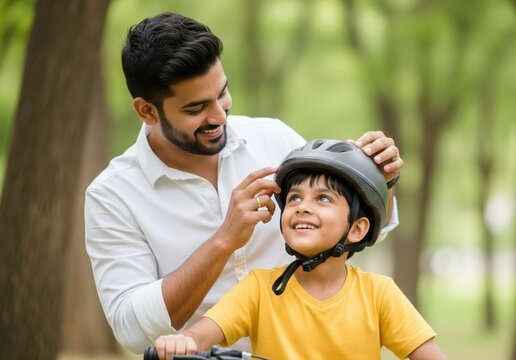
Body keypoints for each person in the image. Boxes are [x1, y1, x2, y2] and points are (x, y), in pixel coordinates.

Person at [84, 12, 403, 353]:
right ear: (147, 111)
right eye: (197, 108)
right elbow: (132, 330)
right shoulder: (112, 196)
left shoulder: (273, 139)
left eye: (222, 93)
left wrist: (380, 180)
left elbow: (352, 229)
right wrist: (223, 241)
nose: (220, 116)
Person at [153, 139, 446, 360]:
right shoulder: (259, 289)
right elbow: (200, 335)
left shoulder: (378, 294)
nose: (302, 207)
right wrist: (183, 341)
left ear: (357, 228)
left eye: (323, 199)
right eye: (294, 198)